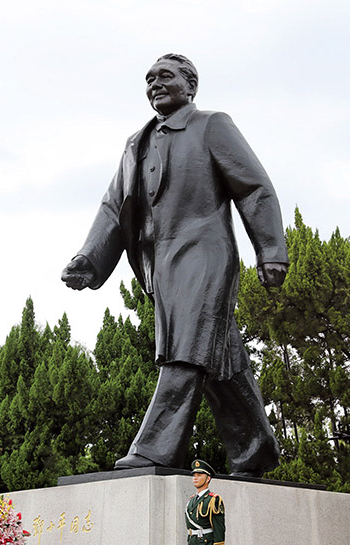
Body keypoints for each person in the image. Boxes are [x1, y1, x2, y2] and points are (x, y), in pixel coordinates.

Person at [61, 54, 287, 476]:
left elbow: (254, 187)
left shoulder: (211, 125)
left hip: (205, 253)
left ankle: (155, 449)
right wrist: (88, 260)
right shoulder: (135, 143)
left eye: (165, 76)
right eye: (148, 80)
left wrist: (271, 249)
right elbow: (115, 207)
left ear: (191, 85)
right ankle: (255, 444)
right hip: (159, 264)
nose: (154, 85)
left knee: (185, 348)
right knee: (218, 354)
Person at [186, 460, 225, 545]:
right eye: (194, 475)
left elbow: (219, 528)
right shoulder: (191, 500)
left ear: (208, 479)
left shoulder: (213, 500)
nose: (195, 478)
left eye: (199, 475)